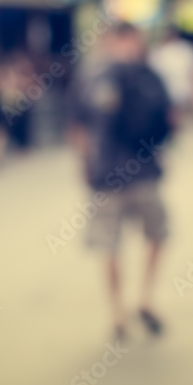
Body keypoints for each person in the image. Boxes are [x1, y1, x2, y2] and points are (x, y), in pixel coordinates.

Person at [70, 23, 173, 341]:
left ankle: (117, 311)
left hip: (106, 175)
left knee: (108, 244)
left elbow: (77, 129)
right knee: (157, 234)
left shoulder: (89, 76)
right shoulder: (149, 74)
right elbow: (170, 121)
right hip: (145, 171)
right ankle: (145, 297)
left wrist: (84, 165)